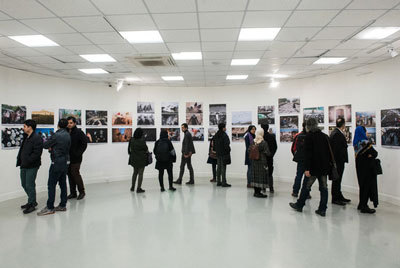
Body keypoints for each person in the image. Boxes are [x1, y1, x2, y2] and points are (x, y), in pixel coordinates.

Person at [289, 118, 332, 217]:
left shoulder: (309, 137)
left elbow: (307, 155)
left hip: (313, 168)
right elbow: (329, 153)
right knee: (324, 188)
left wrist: (307, 169)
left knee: (306, 187)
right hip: (324, 168)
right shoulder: (325, 137)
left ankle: (299, 205)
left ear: (308, 126)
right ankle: (322, 209)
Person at [37, 119, 71, 216]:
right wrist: (53, 148)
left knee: (51, 185)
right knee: (63, 184)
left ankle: (50, 207)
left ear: (58, 125)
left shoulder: (56, 135)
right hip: (65, 162)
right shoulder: (68, 135)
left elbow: (45, 145)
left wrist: (51, 147)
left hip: (56, 162)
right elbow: (65, 148)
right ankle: (63, 205)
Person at [17, 119, 43, 214]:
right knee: (24, 184)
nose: (23, 128)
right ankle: (31, 200)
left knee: (29, 184)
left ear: (30, 127)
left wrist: (27, 161)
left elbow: (37, 154)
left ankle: (32, 203)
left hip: (32, 166)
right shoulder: (26, 137)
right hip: (24, 165)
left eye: (24, 126)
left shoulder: (37, 138)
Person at [354, 126, 379, 214]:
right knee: (366, 187)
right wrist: (370, 155)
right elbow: (375, 153)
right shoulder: (365, 143)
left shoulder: (356, 143)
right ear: (362, 132)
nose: (367, 133)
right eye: (366, 131)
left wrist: (369, 155)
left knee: (362, 186)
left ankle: (361, 204)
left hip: (360, 168)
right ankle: (364, 206)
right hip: (367, 169)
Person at [329, 117, 350, 206]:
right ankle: (335, 198)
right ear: (343, 124)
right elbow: (336, 150)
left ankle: (339, 195)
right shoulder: (337, 134)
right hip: (338, 162)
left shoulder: (336, 132)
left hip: (338, 161)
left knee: (338, 179)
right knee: (336, 179)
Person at [66, 116, 88, 200]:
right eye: (68, 123)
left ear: (75, 123)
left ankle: (82, 192)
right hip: (68, 157)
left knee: (75, 174)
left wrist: (78, 153)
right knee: (69, 174)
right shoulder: (66, 131)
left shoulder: (79, 132)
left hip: (76, 158)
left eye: (71, 123)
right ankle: (73, 193)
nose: (69, 124)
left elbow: (84, 143)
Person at [291, 123, 310, 198]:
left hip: (301, 160)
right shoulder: (311, 136)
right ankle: (306, 193)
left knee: (299, 175)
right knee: (307, 177)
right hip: (308, 160)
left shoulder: (298, 136)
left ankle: (295, 192)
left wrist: (297, 156)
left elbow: (293, 149)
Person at [250, 128, 271, 198]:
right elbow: (267, 152)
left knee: (255, 176)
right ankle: (259, 193)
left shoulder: (253, 141)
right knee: (261, 176)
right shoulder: (263, 142)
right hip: (262, 161)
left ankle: (256, 192)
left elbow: (249, 150)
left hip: (254, 161)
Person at [128, 128, 148, 193]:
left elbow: (129, 149)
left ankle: (132, 187)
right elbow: (146, 149)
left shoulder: (131, 139)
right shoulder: (142, 140)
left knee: (135, 173)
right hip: (142, 159)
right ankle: (138, 188)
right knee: (140, 174)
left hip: (134, 159)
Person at [261, 123, 278, 193]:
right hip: (270, 157)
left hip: (262, 158)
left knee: (263, 173)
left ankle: (264, 188)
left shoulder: (260, 136)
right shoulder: (272, 136)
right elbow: (275, 147)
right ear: (268, 128)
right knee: (270, 173)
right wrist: (271, 155)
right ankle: (271, 188)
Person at [214, 123, 231, 187]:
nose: (225, 128)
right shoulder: (224, 135)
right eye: (225, 127)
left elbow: (214, 144)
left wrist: (216, 151)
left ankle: (218, 181)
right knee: (223, 167)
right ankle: (224, 182)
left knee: (218, 167)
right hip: (224, 154)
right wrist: (228, 150)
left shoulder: (216, 135)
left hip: (218, 153)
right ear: (223, 128)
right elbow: (227, 144)